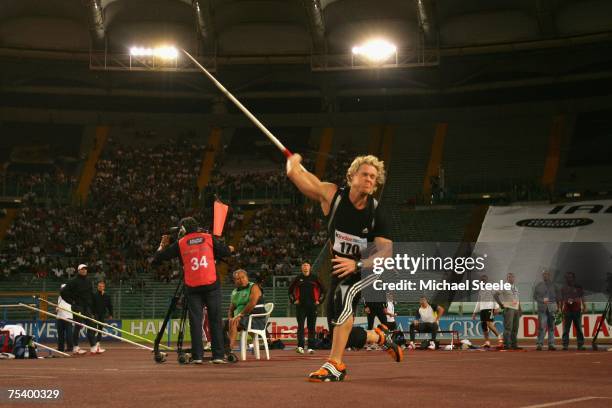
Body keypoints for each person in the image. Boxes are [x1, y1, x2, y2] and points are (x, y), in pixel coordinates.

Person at [287, 153, 402, 382]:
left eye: (373, 177)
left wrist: (357, 263)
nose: (370, 180)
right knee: (337, 331)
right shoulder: (333, 196)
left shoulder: (377, 212)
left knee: (346, 298)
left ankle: (335, 365)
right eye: (365, 175)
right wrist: (293, 167)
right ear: (352, 176)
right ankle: (379, 337)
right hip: (341, 270)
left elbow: (386, 253)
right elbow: (305, 179)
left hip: (368, 270)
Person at [152, 217, 233, 364]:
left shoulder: (180, 243)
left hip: (192, 286)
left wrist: (161, 245)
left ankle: (197, 356)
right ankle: (219, 356)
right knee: (215, 319)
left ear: (182, 229)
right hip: (211, 285)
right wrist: (228, 249)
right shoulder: (208, 238)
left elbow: (158, 259)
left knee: (195, 322)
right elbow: (226, 252)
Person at [60, 264, 97, 355]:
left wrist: (91, 307)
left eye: (85, 269)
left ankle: (93, 347)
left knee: (91, 324)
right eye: (82, 269)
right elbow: (63, 292)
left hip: (87, 307)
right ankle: (75, 347)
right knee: (78, 326)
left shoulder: (89, 281)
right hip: (78, 306)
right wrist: (72, 302)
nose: (84, 270)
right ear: (78, 270)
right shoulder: (73, 281)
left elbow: (91, 295)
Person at [288, 262, 325, 354]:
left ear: (310, 267)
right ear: (301, 267)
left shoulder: (315, 278)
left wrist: (319, 301)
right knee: (300, 327)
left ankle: (311, 348)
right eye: (304, 265)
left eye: (307, 265)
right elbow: (290, 291)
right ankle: (300, 347)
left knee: (311, 327)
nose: (305, 267)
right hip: (300, 307)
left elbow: (324, 290)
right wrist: (293, 300)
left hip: (312, 307)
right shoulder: (297, 278)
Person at [226, 269, 266, 352]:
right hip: (242, 318)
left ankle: (229, 349)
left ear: (247, 277)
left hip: (255, 318)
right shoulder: (234, 292)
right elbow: (231, 309)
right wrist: (230, 318)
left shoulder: (254, 287)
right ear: (234, 281)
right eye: (238, 279)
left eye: (243, 277)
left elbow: (251, 304)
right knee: (219, 325)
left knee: (234, 322)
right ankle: (221, 347)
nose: (241, 280)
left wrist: (239, 315)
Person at [471, 274, 502, 348]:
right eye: (482, 280)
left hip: (489, 308)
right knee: (484, 326)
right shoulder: (480, 290)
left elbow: (495, 297)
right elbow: (478, 302)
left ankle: (500, 338)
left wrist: (497, 307)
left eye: (484, 280)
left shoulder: (491, 288)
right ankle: (487, 342)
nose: (483, 281)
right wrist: (474, 313)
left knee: (489, 324)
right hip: (482, 309)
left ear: (487, 280)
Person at [494, 273, 522, 350]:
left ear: (514, 278)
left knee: (515, 328)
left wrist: (520, 308)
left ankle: (514, 344)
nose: (511, 278)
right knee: (508, 327)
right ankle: (507, 344)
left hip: (516, 308)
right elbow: (495, 295)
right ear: (507, 278)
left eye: (512, 277)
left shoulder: (515, 287)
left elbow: (517, 298)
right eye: (509, 277)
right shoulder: (504, 286)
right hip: (509, 308)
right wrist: (500, 304)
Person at [533, 271, 559, 351]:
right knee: (541, 327)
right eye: (544, 275)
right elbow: (535, 296)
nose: (545, 276)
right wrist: (542, 300)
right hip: (542, 309)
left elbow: (558, 296)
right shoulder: (538, 286)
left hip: (552, 308)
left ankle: (551, 344)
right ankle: (539, 344)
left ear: (549, 275)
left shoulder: (554, 285)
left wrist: (558, 306)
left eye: (547, 274)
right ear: (542, 276)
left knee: (551, 327)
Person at [560, 272, 586, 351]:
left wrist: (585, 306)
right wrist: (561, 309)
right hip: (567, 311)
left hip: (577, 310)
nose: (569, 279)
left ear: (573, 278)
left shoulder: (578, 287)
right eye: (567, 277)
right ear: (565, 279)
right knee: (566, 329)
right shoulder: (563, 288)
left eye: (570, 277)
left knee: (578, 328)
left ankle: (580, 345)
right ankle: (565, 345)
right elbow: (561, 299)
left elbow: (582, 297)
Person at [92, 281, 113, 354]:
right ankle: (93, 346)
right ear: (97, 287)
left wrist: (111, 314)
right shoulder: (94, 295)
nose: (100, 287)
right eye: (99, 286)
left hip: (102, 315)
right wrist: (92, 314)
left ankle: (98, 345)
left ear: (104, 287)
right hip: (95, 314)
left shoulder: (107, 296)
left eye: (102, 286)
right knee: (93, 329)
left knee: (100, 330)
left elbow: (110, 306)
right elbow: (91, 305)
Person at [56, 284, 74, 353]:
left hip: (67, 317)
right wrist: (57, 308)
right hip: (60, 316)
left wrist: (58, 308)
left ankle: (68, 347)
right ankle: (62, 348)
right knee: (61, 333)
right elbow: (59, 305)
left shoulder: (69, 296)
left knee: (67, 333)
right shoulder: (60, 297)